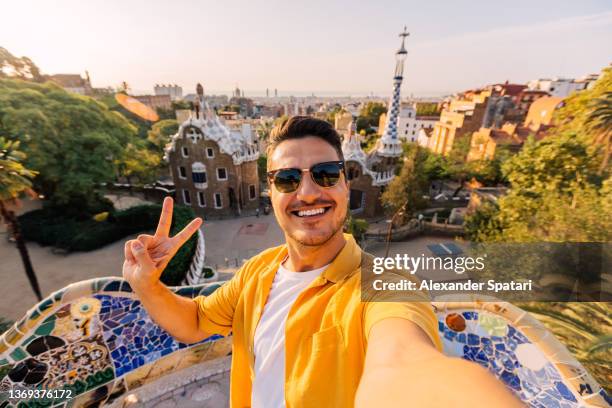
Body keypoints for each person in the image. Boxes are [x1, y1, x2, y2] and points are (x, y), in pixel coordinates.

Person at [123, 116, 522, 407]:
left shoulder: (384, 284)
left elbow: (403, 361)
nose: (308, 192)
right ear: (271, 193)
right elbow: (193, 322)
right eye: (287, 179)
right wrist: (147, 284)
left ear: (347, 184)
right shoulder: (258, 271)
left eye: (327, 174)